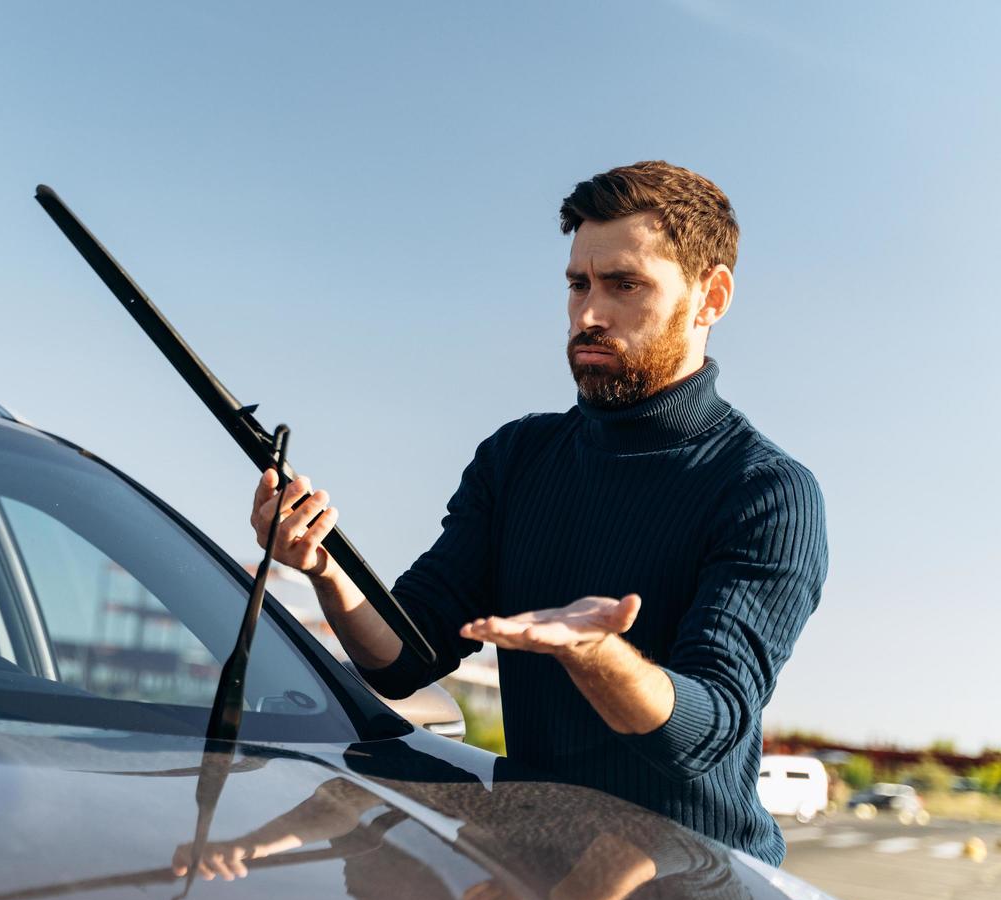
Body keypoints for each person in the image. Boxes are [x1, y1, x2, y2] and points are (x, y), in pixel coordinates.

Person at [248, 161, 827, 864]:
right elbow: (404, 657)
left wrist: (593, 652)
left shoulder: (766, 492)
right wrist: (324, 567)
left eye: (625, 285)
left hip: (695, 898)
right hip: (530, 881)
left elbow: (704, 730)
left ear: (711, 298)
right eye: (578, 284)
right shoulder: (516, 458)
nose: (589, 313)